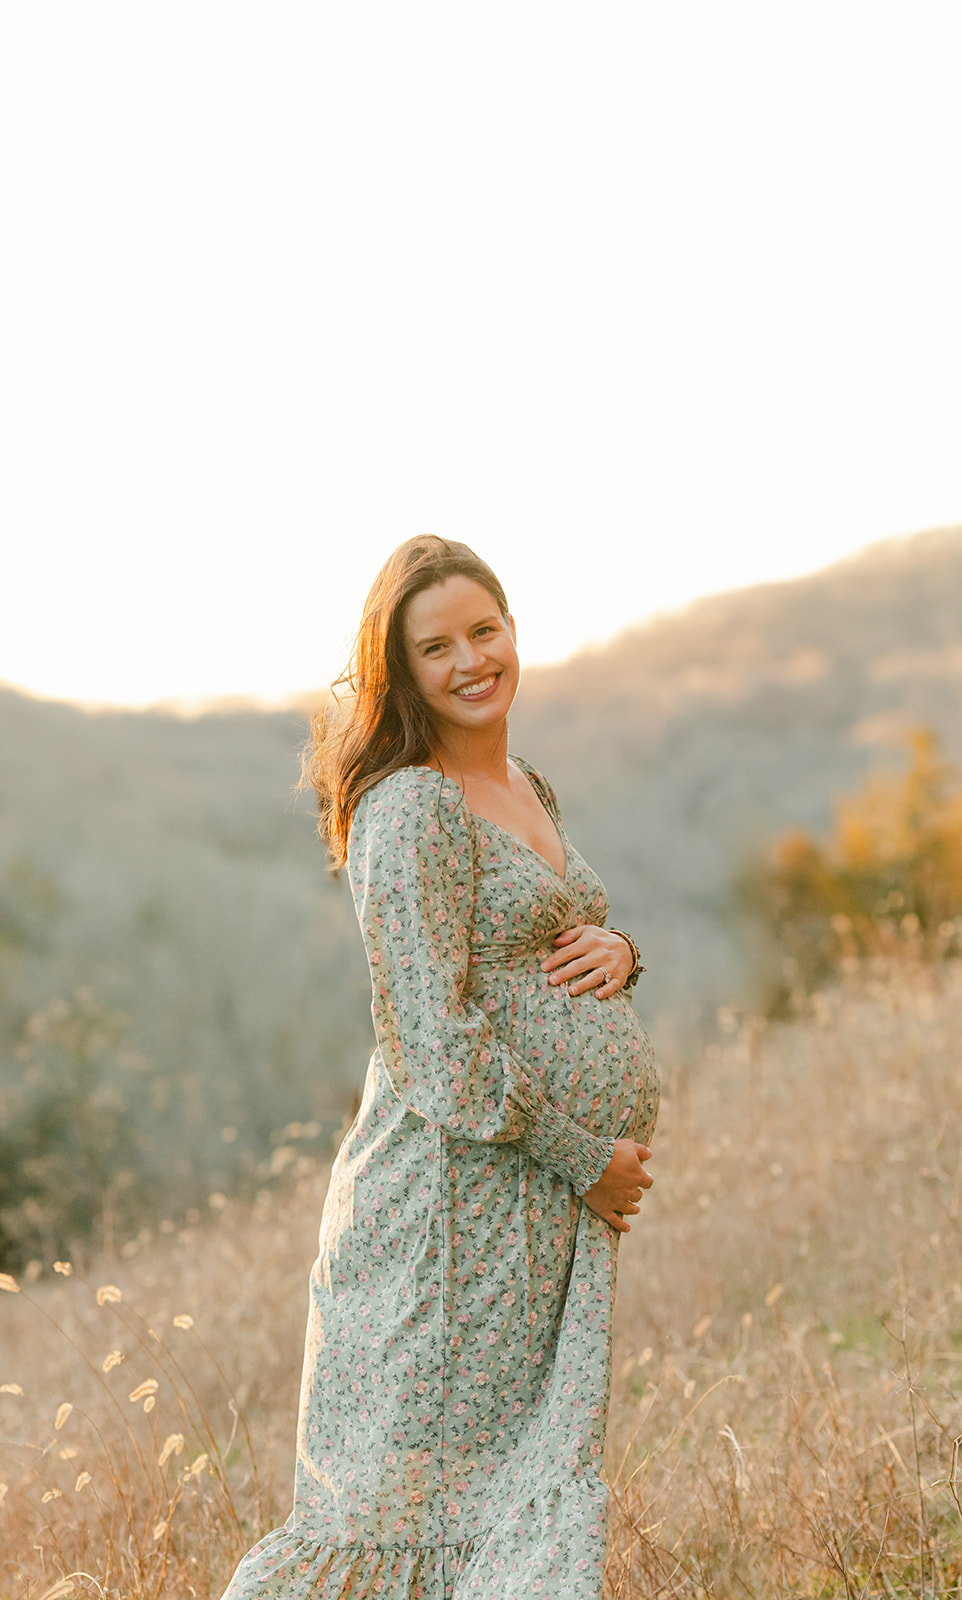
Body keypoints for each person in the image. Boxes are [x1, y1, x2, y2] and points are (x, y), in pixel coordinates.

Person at [220, 536, 659, 1599]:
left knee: (522, 1498)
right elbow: (432, 1041)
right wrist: (581, 1156)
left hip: (538, 1219)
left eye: (483, 630)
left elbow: (546, 949)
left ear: (512, 631)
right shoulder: (409, 807)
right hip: (446, 1222)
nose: (469, 659)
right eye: (436, 646)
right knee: (385, 1518)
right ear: (400, 669)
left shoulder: (526, 786)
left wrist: (624, 951)